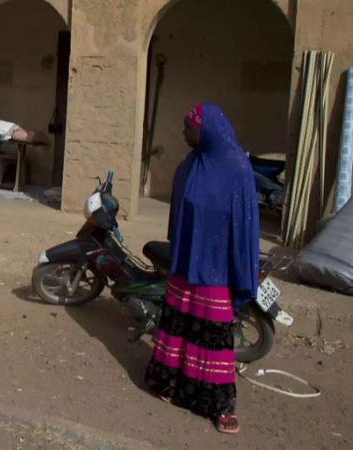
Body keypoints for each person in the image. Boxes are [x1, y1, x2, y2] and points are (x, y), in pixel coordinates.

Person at [145, 104, 260, 435]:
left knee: (212, 342)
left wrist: (238, 272)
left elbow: (245, 230)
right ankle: (170, 385)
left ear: (205, 130)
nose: (184, 134)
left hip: (216, 274)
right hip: (185, 266)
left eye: (188, 128)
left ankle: (219, 405)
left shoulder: (237, 171)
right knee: (176, 330)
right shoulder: (190, 166)